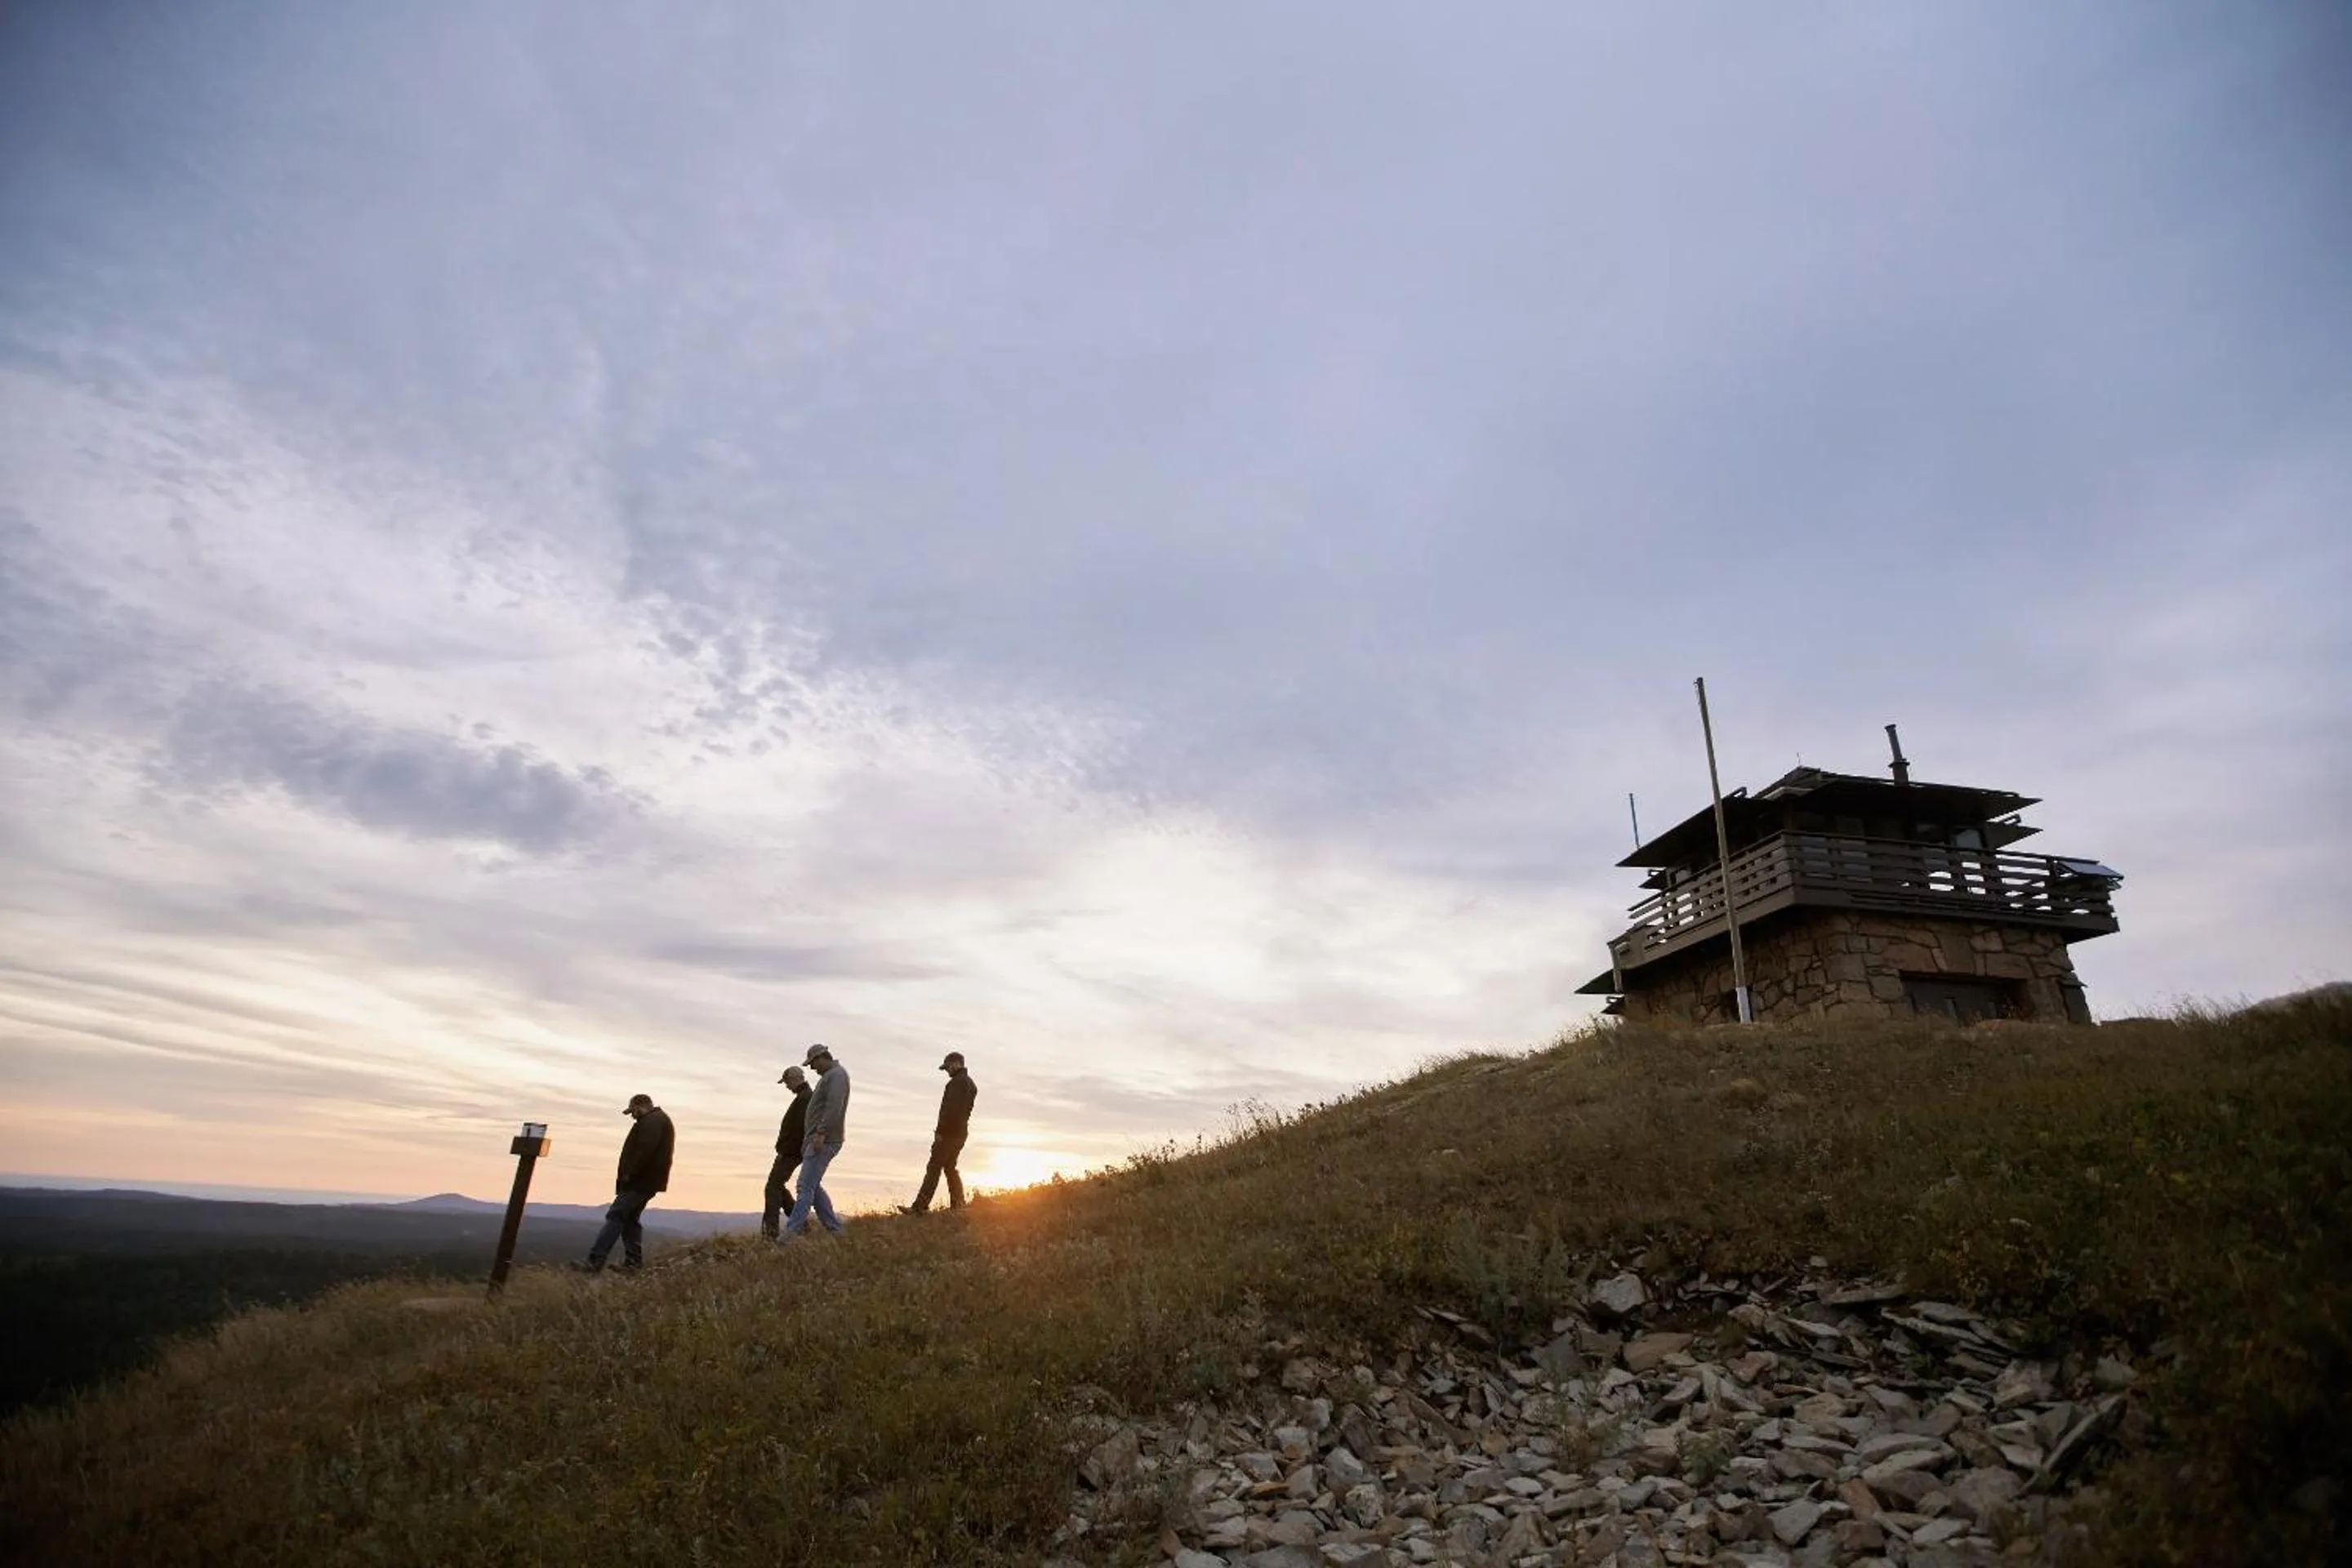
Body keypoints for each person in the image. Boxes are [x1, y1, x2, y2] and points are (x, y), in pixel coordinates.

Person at [584, 1093, 674, 1272]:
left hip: (639, 1181)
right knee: (629, 1219)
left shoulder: (652, 1121)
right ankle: (633, 1265)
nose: (632, 1116)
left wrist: (629, 1175)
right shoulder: (657, 1120)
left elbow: (644, 1150)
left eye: (633, 1111)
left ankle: (594, 1262)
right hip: (646, 1181)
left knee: (615, 1215)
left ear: (641, 1106)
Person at [781, 1044, 849, 1239]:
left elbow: (834, 1106)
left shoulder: (836, 1076)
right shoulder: (831, 1077)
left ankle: (789, 1236)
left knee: (804, 1186)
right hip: (819, 1138)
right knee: (813, 1186)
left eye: (813, 1063)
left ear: (821, 1058)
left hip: (825, 1140)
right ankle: (837, 1232)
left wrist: (821, 1133)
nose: (812, 1068)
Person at [906, 1050, 978, 1214]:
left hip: (948, 1134)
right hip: (961, 1132)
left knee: (934, 1167)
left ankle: (920, 1207)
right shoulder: (971, 1084)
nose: (947, 1071)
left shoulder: (956, 1083)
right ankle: (959, 1204)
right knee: (950, 1167)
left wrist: (940, 1132)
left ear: (957, 1063)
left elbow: (949, 1111)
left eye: (948, 1067)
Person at [760, 1065, 812, 1240]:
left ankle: (771, 1233)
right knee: (776, 1186)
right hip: (791, 1151)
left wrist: (786, 1151)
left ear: (795, 1079)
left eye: (787, 1082)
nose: (787, 1086)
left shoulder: (805, 1099)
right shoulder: (804, 1097)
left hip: (791, 1152)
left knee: (772, 1188)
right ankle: (801, 1225)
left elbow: (799, 1130)